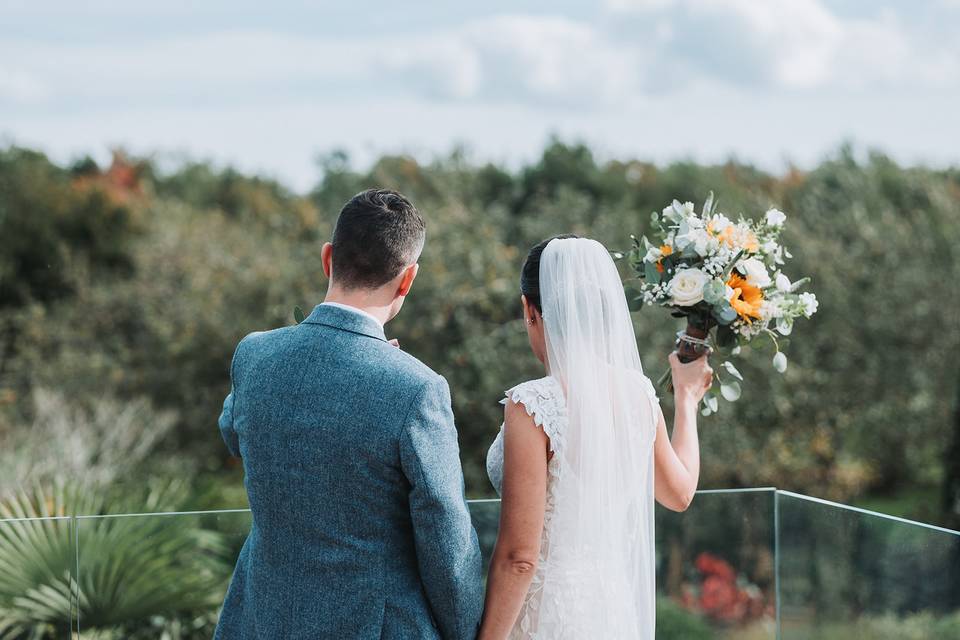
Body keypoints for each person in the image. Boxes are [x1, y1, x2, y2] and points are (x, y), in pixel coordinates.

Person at [214, 188, 483, 639]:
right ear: (407, 279)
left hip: (262, 619)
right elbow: (445, 536)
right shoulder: (417, 388)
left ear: (327, 257)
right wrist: (466, 630)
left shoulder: (254, 354)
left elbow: (234, 435)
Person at [480, 235, 712, 639]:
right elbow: (680, 493)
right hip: (611, 612)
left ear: (530, 310)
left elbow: (520, 558)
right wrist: (687, 401)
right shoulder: (638, 395)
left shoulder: (532, 404)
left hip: (546, 619)